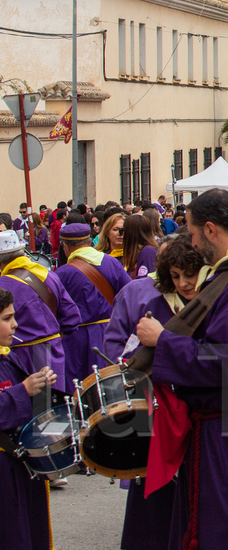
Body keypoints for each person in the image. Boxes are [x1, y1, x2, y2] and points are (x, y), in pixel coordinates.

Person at [133, 187, 228, 550]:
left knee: (225, 532)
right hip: (222, 426)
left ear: (211, 229)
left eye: (194, 234)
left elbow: (224, 362)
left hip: (225, 429)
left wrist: (162, 340)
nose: (194, 244)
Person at [116, 232, 203, 550]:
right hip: (156, 413)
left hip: (195, 411)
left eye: (189, 274)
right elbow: (127, 355)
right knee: (151, 505)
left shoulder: (212, 304)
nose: (183, 283)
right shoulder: (154, 304)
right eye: (176, 276)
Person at [0, 287, 57, 550]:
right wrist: (23, 390)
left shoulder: (8, 356)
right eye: (7, 318)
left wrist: (40, 386)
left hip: (18, 462)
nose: (15, 324)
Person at [0, 230, 77, 395]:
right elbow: (71, 317)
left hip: (19, 359)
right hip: (54, 353)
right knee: (53, 410)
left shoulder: (3, 285)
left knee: (27, 410)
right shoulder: (48, 275)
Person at [56, 221, 131, 387]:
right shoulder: (112, 263)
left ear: (66, 247)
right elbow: (130, 295)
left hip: (77, 340)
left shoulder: (62, 273)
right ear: (90, 241)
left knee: (81, 388)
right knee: (111, 384)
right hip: (111, 333)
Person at [120, 214, 159, 278]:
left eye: (123, 231)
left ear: (130, 232)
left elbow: (145, 282)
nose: (121, 234)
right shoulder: (135, 254)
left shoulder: (148, 252)